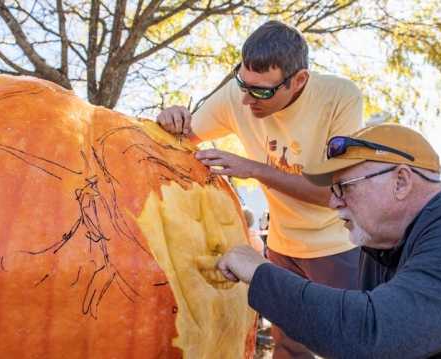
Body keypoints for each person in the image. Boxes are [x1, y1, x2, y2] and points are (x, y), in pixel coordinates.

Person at [216, 123, 441, 358]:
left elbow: (372, 336)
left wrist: (258, 271)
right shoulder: (381, 247)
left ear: (401, 182)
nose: (333, 202)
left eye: (344, 187)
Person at [156, 20, 364, 357]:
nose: (247, 100)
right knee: (288, 346)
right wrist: (171, 119)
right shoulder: (237, 97)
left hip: (338, 243)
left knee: (357, 344)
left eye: (262, 91)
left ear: (299, 81)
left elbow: (335, 194)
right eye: (243, 83)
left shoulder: (339, 98)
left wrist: (253, 169)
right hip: (282, 247)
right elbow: (178, 140)